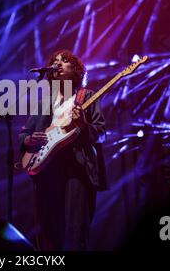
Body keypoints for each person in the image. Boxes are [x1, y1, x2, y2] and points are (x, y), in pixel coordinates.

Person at [18, 49, 107, 250]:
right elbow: (23, 135)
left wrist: (83, 125)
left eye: (64, 61)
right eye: (55, 61)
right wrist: (31, 139)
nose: (58, 63)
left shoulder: (87, 97)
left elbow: (101, 134)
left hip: (77, 169)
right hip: (48, 170)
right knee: (49, 232)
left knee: (75, 233)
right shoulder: (44, 104)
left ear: (75, 69)